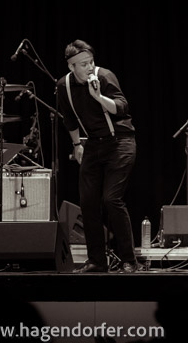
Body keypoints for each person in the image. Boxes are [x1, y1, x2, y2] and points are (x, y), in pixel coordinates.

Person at [56, 40, 138, 273]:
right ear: (72, 66)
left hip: (120, 141)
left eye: (91, 61)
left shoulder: (104, 76)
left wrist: (99, 96)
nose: (90, 67)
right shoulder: (64, 86)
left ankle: (129, 259)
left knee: (111, 199)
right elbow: (69, 119)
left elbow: (122, 107)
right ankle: (97, 261)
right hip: (92, 144)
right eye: (83, 64)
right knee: (88, 202)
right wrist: (76, 145)